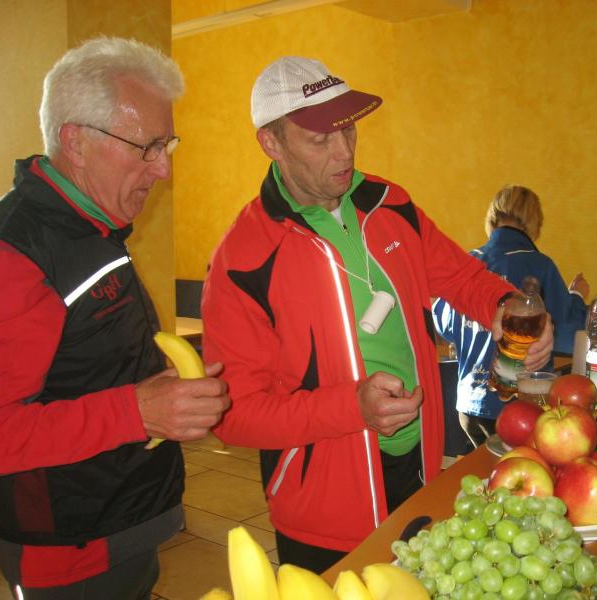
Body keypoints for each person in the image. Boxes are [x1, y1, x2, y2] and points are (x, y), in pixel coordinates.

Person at [201, 56, 554, 573]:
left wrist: (504, 307)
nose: (344, 152)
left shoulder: (391, 204)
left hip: (419, 469)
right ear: (271, 143)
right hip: (322, 507)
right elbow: (234, 415)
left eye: (348, 129)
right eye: (319, 139)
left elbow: (461, 276)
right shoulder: (243, 258)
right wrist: (352, 409)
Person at [0, 37, 230, 599]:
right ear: (76, 141)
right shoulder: (9, 253)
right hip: (68, 551)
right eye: (148, 147)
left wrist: (159, 392)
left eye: (167, 144)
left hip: (124, 520)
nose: (163, 169)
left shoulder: (92, 227)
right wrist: (137, 411)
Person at [433, 184, 589, 447]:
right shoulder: (540, 266)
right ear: (535, 223)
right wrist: (576, 296)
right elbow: (567, 335)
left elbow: (443, 325)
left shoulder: (468, 263)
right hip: (519, 408)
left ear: (492, 217)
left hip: (468, 406)